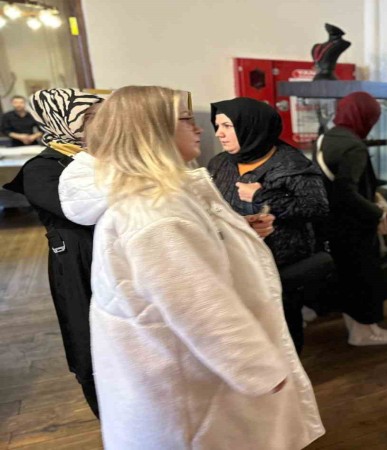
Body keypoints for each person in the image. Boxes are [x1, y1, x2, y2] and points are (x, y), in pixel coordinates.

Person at [57, 86, 324, 449]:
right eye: (185, 120)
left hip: (187, 375)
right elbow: (199, 306)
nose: (200, 129)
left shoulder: (157, 196)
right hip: (188, 389)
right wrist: (259, 368)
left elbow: (187, 258)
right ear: (153, 131)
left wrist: (234, 232)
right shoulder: (155, 211)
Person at [2, 89, 104, 417]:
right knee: (88, 340)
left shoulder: (104, 157)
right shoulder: (41, 169)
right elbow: (81, 212)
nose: (101, 125)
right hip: (77, 264)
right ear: (64, 120)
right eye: (89, 118)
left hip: (110, 256)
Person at [207, 97, 329, 353]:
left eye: (227, 126)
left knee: (283, 328)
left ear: (252, 126)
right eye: (217, 126)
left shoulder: (293, 165)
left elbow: (316, 208)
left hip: (281, 263)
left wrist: (262, 196)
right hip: (237, 260)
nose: (219, 133)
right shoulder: (220, 163)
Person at [316, 91, 387, 346]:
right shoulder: (354, 146)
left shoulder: (327, 137)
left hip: (333, 224)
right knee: (364, 278)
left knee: (349, 278)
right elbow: (346, 192)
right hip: (355, 226)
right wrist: (377, 212)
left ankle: (359, 328)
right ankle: (364, 333)